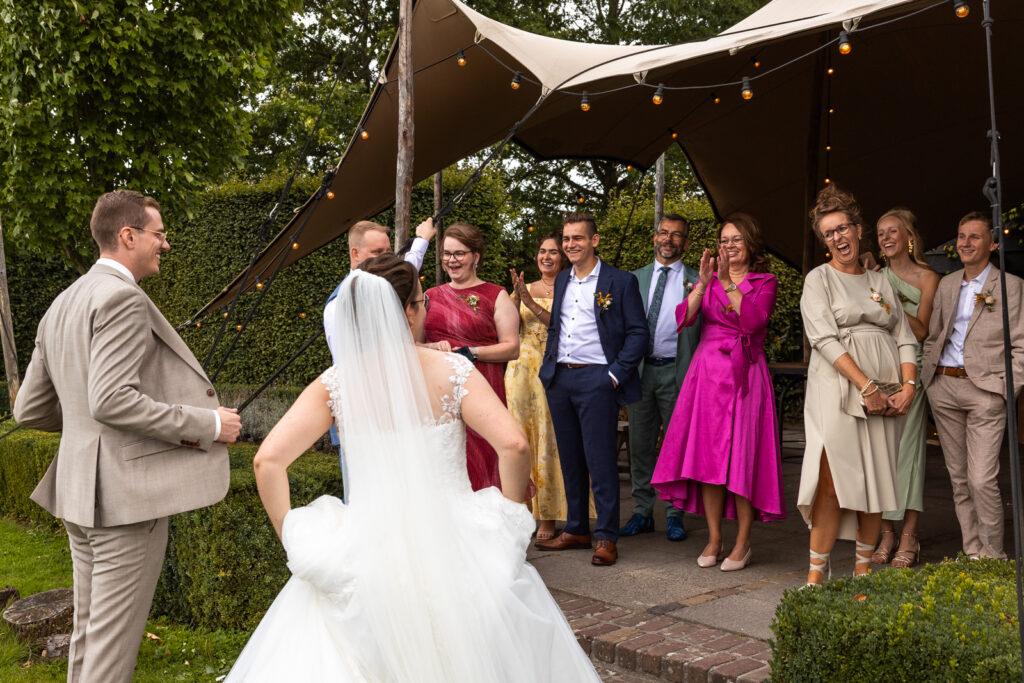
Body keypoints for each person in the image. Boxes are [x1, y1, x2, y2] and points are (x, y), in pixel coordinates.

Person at [226, 255, 600, 682]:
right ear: (406, 311)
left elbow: (267, 460)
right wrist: (511, 518)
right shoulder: (454, 370)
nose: (425, 310)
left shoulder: (336, 383)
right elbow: (514, 445)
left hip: (366, 549)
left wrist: (294, 540)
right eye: (422, 302)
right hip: (456, 544)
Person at [13, 190, 242, 683]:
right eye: (159, 234)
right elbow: (112, 400)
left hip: (78, 491)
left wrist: (85, 423)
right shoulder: (122, 298)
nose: (165, 244)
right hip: (123, 500)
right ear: (128, 235)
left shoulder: (61, 303)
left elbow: (28, 409)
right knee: (111, 652)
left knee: (90, 634)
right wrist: (208, 424)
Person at [798, 185, 918, 586]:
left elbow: (904, 336)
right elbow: (823, 338)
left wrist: (909, 385)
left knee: (876, 481)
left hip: (888, 393)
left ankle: (863, 571)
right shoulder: (819, 279)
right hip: (837, 389)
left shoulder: (880, 281)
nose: (837, 237)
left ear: (858, 229)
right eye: (828, 233)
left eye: (842, 228)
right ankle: (816, 573)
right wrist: (867, 386)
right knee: (832, 478)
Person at [652, 213, 785, 571]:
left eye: (736, 239)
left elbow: (753, 322)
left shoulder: (765, 281)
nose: (729, 246)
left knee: (742, 457)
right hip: (708, 375)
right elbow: (684, 318)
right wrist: (703, 284)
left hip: (746, 375)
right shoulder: (707, 280)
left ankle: (743, 542)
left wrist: (727, 283)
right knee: (707, 458)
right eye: (724, 240)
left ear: (751, 244)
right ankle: (714, 538)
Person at [535, 213, 649, 567]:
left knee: (600, 461)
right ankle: (577, 529)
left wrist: (613, 375)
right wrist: (550, 369)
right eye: (567, 238)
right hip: (560, 380)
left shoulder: (620, 281)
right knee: (570, 459)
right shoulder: (563, 278)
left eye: (578, 238)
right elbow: (557, 326)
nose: (570, 245)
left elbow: (638, 333)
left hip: (597, 380)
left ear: (594, 240)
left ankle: (606, 536)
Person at [921, 211, 1024, 560]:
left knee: (981, 478)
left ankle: (994, 556)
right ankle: (973, 553)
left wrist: (1006, 389)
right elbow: (934, 335)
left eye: (974, 237)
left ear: (992, 244)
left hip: (986, 393)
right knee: (960, 479)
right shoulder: (947, 284)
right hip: (944, 386)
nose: (965, 243)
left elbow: (1020, 345)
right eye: (961, 236)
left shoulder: (1010, 286)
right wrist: (929, 380)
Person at [322, 217, 437, 500]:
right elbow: (349, 366)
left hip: (397, 412)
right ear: (355, 253)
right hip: (361, 418)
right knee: (366, 496)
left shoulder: (383, 289)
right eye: (377, 253)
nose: (386, 260)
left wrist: (422, 241)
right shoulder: (339, 305)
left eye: (388, 252)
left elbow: (406, 272)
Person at [620, 213, 701, 542]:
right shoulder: (633, 279)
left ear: (686, 242)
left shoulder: (698, 280)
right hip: (641, 372)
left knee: (676, 445)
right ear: (655, 237)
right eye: (664, 233)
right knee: (639, 445)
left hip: (678, 370)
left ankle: (674, 513)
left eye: (676, 235)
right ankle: (642, 511)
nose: (669, 239)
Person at [424, 222, 520, 491]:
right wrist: (434, 347)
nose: (451, 260)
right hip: (440, 393)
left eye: (459, 253)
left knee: (484, 455)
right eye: (446, 253)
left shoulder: (496, 295)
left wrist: (471, 353)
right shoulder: (429, 297)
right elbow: (413, 344)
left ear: (476, 256)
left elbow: (512, 347)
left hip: (483, 386)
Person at [868, 208, 940, 568]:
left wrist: (886, 296)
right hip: (881, 368)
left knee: (908, 455)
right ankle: (886, 533)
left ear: (909, 237)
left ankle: (909, 534)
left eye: (892, 231)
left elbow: (922, 330)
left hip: (913, 372)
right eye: (881, 233)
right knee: (881, 453)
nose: (885, 238)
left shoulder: (928, 277)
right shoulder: (874, 277)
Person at [506, 234, 583, 540]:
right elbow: (506, 330)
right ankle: (518, 513)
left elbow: (565, 327)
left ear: (562, 257)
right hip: (521, 372)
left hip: (555, 369)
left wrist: (529, 302)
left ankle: (548, 515)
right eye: (542, 251)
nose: (546, 257)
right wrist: (515, 299)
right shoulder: (522, 288)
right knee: (520, 438)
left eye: (553, 252)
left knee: (550, 440)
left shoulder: (571, 287)